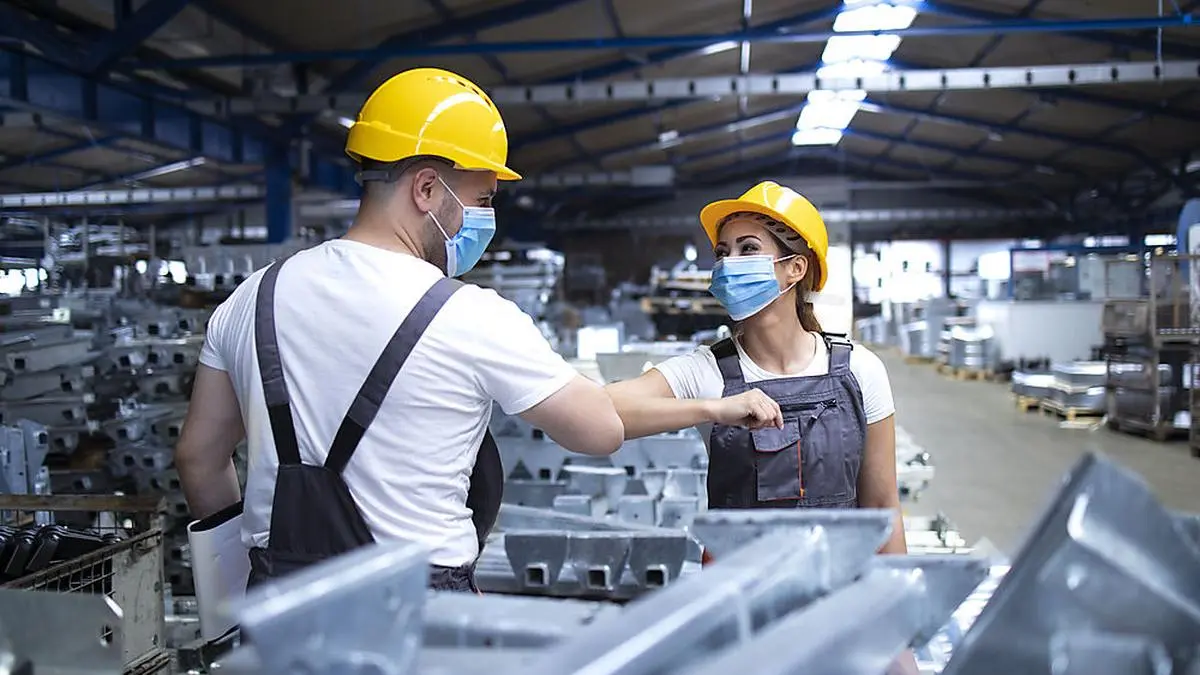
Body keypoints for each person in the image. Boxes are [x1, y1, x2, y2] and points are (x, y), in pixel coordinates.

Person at [175, 67, 625, 593]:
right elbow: (601, 431)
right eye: (483, 200)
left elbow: (199, 458)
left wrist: (240, 586)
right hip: (420, 620)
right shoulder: (469, 314)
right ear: (428, 189)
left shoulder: (252, 297)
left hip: (280, 613)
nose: (484, 219)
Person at [606, 180, 908, 556]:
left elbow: (882, 507)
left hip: (838, 591)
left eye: (748, 249)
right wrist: (712, 409)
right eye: (722, 253)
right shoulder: (707, 372)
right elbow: (601, 408)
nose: (728, 264)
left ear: (795, 268)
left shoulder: (860, 371)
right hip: (737, 598)